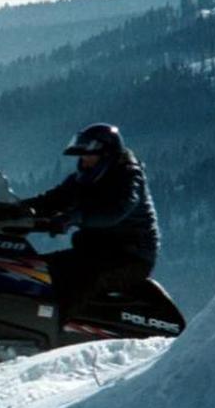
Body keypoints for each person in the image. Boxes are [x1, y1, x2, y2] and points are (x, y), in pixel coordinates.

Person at [21, 123, 160, 324]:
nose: (83, 160)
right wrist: (14, 208)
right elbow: (53, 199)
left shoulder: (128, 177)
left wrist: (74, 217)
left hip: (130, 256)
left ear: (107, 155)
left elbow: (116, 211)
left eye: (89, 155)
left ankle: (53, 332)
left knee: (83, 278)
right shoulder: (85, 178)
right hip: (95, 252)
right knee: (36, 269)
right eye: (82, 155)